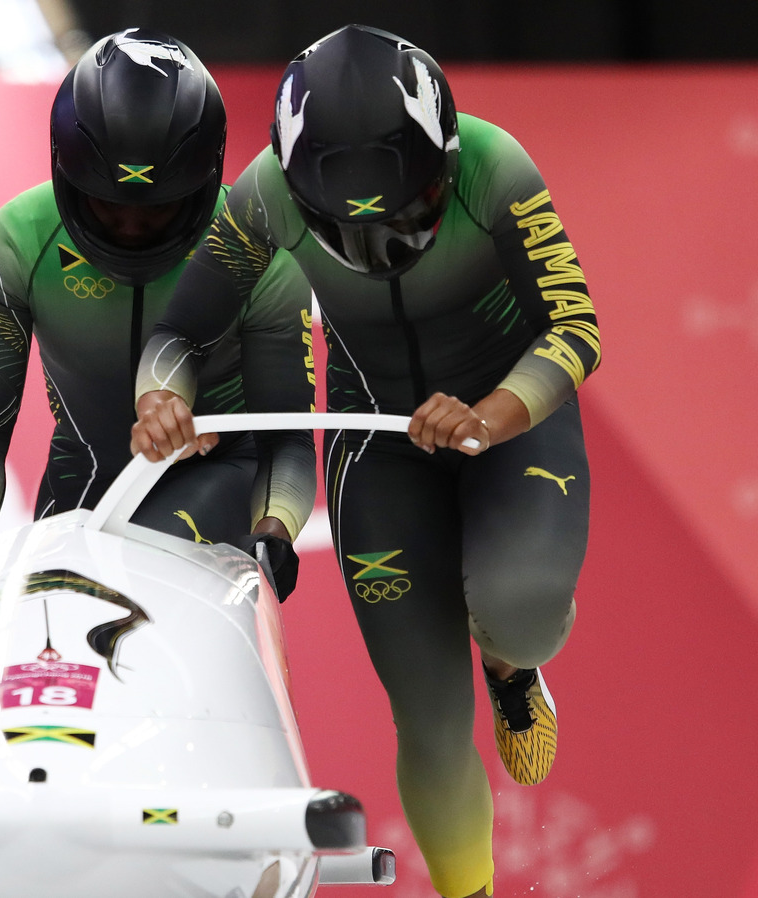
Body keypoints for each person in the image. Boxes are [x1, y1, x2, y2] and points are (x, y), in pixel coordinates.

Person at [131, 25, 599, 898]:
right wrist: (161, 395)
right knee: (427, 718)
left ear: (446, 164)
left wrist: (490, 417)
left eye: (411, 214)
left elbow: (575, 330)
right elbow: (178, 332)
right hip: (377, 436)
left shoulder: (497, 167)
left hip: (505, 419)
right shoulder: (263, 193)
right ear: (299, 190)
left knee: (519, 608)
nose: (380, 244)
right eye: (344, 227)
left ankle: (511, 662)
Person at [0, 27, 316, 592]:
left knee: (135, 572)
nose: (132, 229)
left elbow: (286, 438)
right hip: (83, 474)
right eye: (108, 206)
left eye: (157, 211)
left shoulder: (253, 244)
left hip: (217, 473)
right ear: (67, 173)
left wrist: (274, 532)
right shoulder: (18, 240)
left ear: (200, 185)